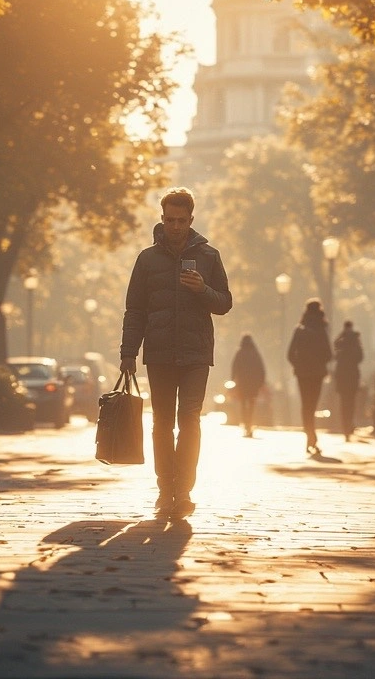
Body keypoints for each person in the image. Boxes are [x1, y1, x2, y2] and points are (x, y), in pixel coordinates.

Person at [119, 187, 232, 520]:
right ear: (162, 219)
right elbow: (134, 309)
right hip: (160, 353)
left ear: (191, 220)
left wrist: (203, 290)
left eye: (182, 221)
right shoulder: (147, 259)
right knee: (162, 423)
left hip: (196, 354)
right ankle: (165, 489)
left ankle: (183, 490)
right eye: (170, 220)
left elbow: (224, 303)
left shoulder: (209, 257)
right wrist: (128, 352)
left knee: (190, 420)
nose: (176, 227)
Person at [287, 298, 333, 456]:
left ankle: (310, 436)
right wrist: (319, 363)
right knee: (312, 405)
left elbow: (289, 354)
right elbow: (329, 354)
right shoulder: (322, 329)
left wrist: (298, 365)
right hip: (317, 374)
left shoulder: (299, 329)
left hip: (302, 374)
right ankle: (312, 437)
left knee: (305, 405)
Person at [333, 320, 364, 441]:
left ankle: (345, 425)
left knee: (343, 402)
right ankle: (348, 424)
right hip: (352, 375)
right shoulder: (356, 340)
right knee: (350, 402)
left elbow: (334, 353)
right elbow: (360, 357)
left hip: (342, 375)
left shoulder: (340, 341)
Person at [230, 334, 266, 438]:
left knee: (243, 404)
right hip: (253, 384)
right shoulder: (255, 353)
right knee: (251, 405)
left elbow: (234, 367)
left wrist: (233, 379)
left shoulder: (239, 352)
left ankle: (246, 424)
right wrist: (261, 382)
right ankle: (250, 423)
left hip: (242, 384)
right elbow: (261, 368)